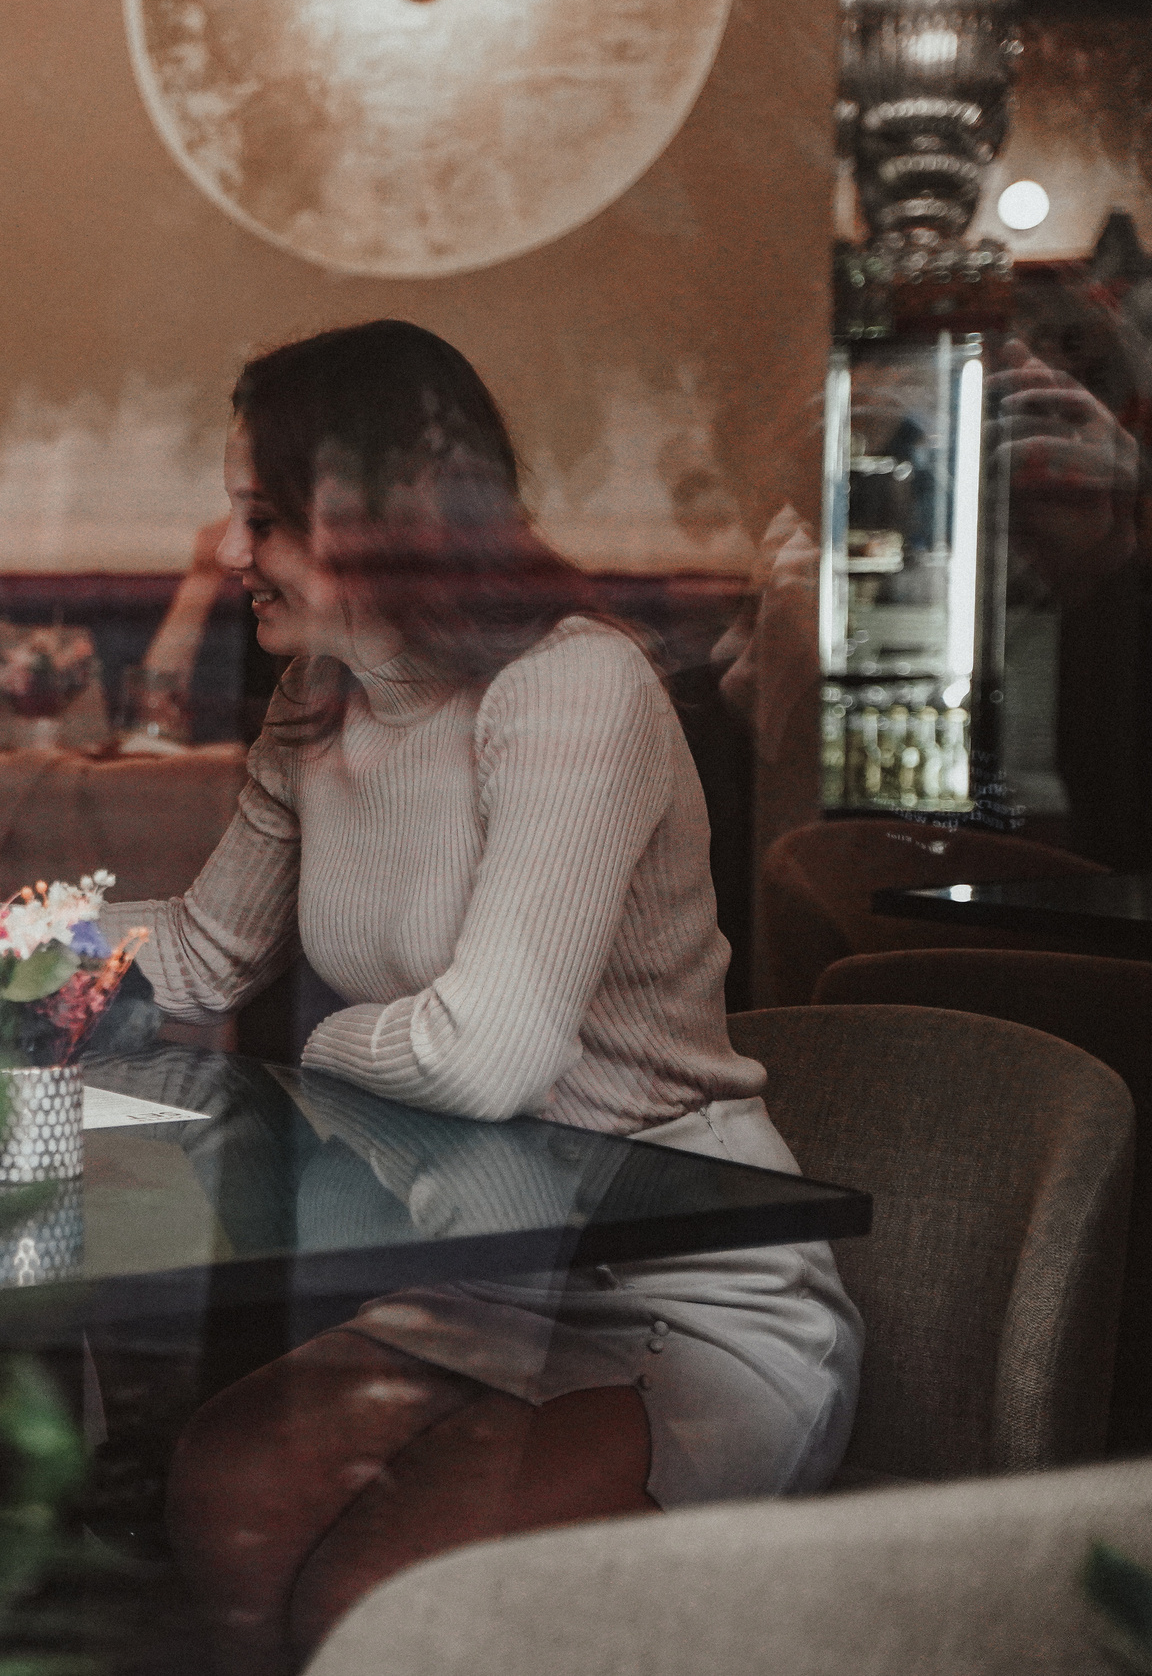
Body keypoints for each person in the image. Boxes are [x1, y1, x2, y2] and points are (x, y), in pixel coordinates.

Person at [124, 321, 861, 1673]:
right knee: (222, 1494)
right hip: (478, 1270)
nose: (226, 551)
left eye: (261, 517)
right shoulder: (319, 696)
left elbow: (488, 1056)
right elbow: (197, 956)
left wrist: (324, 1047)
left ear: (374, 521)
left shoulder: (573, 685)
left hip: (683, 1283)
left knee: (382, 1595)